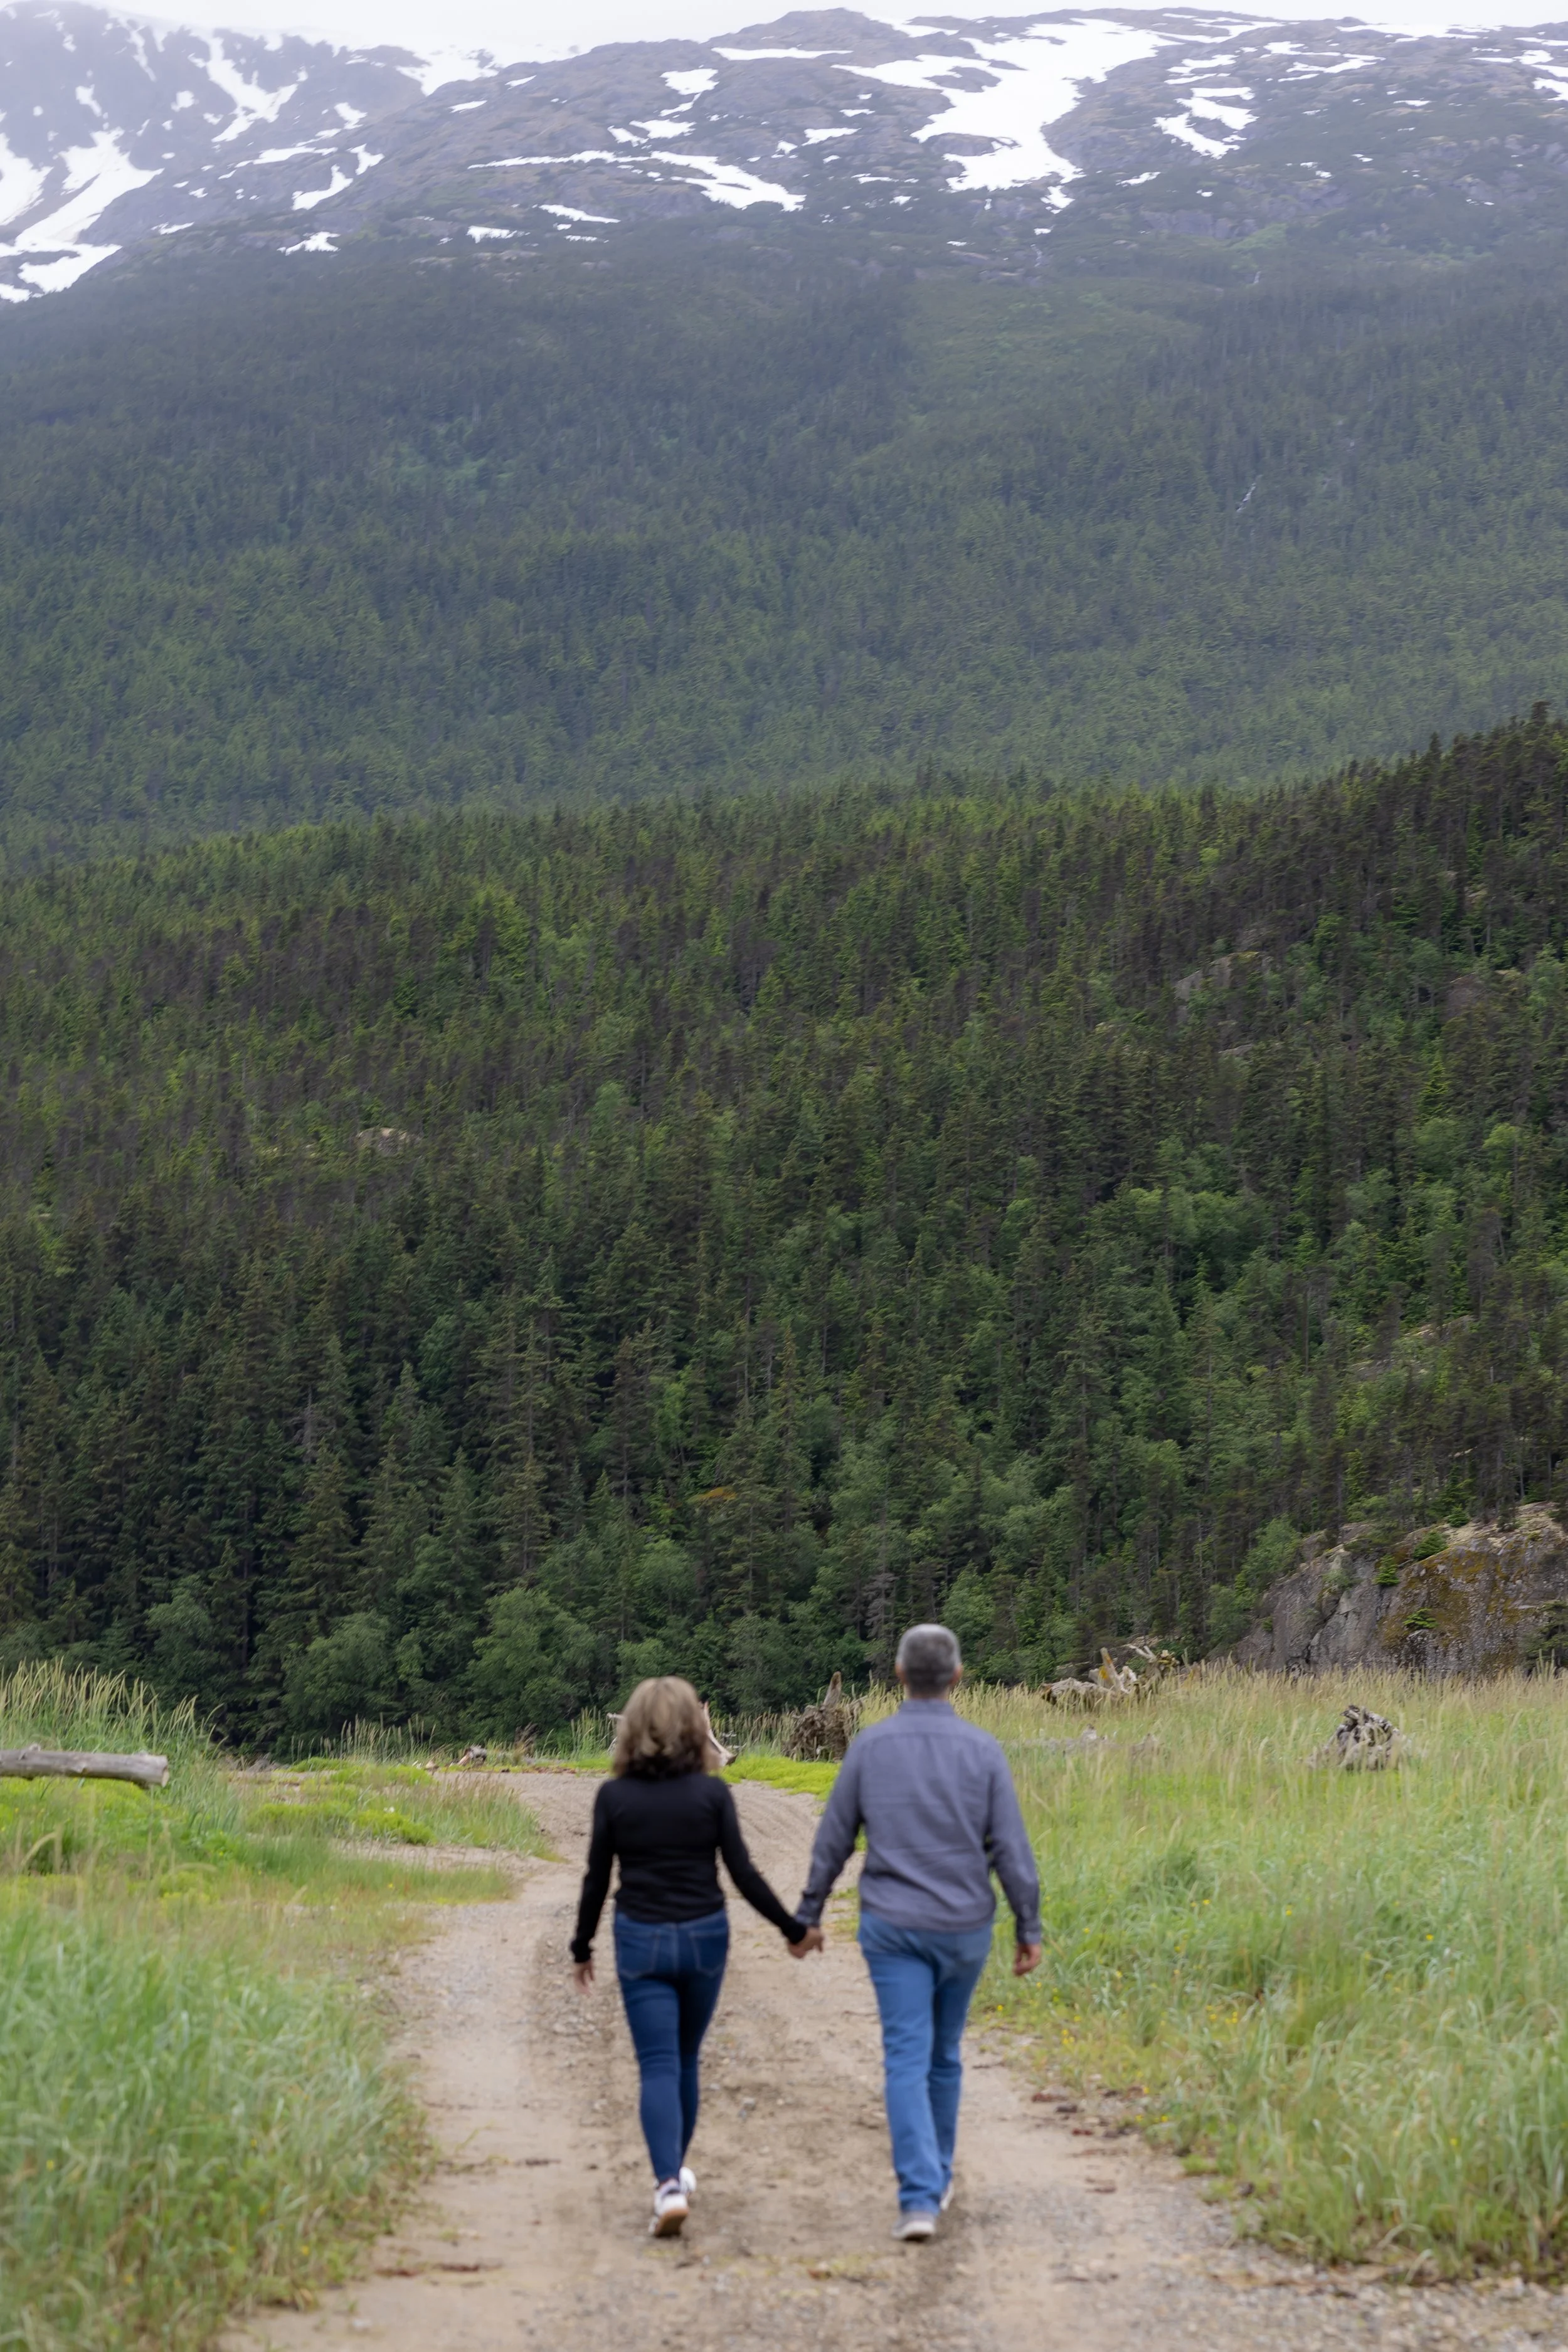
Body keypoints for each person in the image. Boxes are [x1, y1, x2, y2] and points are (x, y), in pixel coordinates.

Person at [793, 1623, 1042, 2241]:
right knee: (944, 2053)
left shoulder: (869, 1748)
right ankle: (938, 2174)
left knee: (905, 2053)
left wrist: (809, 1912)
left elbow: (833, 1839)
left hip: (892, 1925)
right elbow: (1009, 1849)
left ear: (900, 1676)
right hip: (963, 1927)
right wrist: (1027, 1927)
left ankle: (918, 2198)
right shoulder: (983, 1751)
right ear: (957, 1678)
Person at [572, 1676, 824, 2237]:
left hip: (641, 1938)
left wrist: (582, 1947)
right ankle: (675, 2174)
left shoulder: (614, 1797)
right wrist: (793, 1928)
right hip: (706, 1937)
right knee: (685, 2059)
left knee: (658, 2063)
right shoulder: (713, 1795)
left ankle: (667, 2183)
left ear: (633, 1729)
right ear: (696, 1729)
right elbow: (743, 1874)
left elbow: (596, 1880)